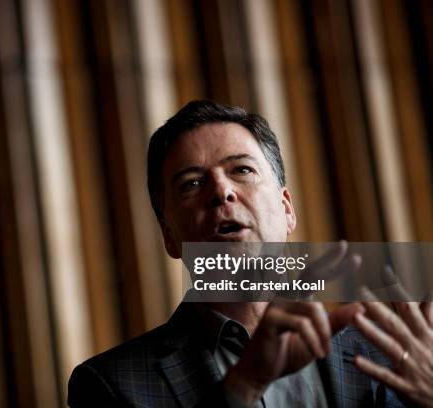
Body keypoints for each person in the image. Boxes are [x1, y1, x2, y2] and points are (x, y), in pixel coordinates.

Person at [67, 100, 433, 407]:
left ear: (287, 209)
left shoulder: (391, 355)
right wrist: (244, 383)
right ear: (170, 237)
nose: (221, 191)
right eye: (192, 183)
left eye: (242, 170)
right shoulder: (110, 385)